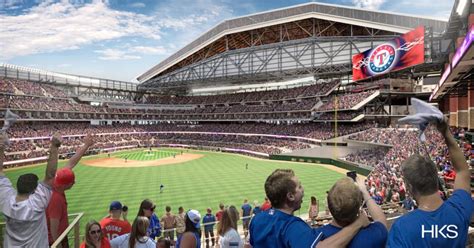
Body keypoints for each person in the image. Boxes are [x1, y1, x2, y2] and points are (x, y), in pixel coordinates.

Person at [388, 118, 473, 247]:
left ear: (410, 187)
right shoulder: (459, 208)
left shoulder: (402, 228)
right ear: (435, 178)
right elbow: (462, 171)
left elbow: (462, 172)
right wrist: (446, 133)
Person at [249, 169, 369, 247]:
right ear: (290, 196)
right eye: (299, 187)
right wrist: (357, 224)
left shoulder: (257, 219)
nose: (303, 189)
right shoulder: (292, 226)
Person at [1, 133, 61, 247]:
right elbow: (50, 176)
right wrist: (54, 146)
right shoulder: (36, 204)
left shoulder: (6, 200)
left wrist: (1, 147)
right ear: (34, 190)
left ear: (17, 187)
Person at [47, 133, 95, 247]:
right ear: (65, 185)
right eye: (72, 182)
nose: (74, 183)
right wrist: (58, 245)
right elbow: (53, 226)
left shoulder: (57, 180)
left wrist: (86, 145)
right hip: (55, 241)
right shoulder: (56, 199)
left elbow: (71, 163)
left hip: (59, 237)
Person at [317, 177, 388, 247]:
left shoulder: (316, 236)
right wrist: (364, 192)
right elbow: (381, 219)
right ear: (358, 207)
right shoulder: (375, 235)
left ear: (329, 206)